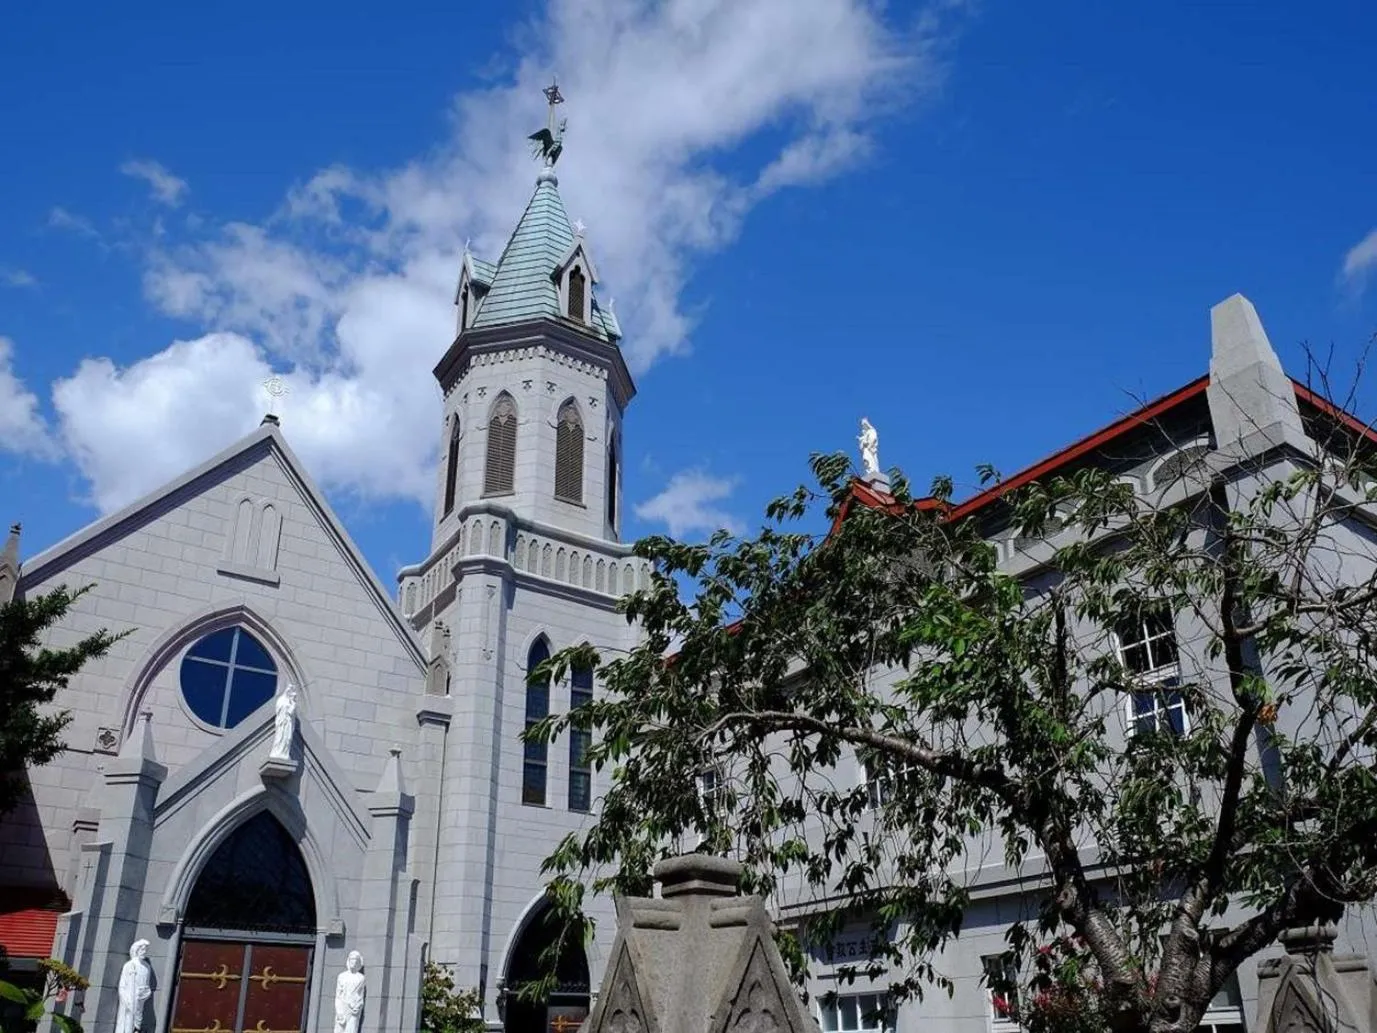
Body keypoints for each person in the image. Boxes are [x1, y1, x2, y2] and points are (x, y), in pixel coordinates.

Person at [115, 940, 153, 1033]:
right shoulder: (129, 965)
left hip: (140, 1000)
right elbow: (122, 986)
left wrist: (145, 994)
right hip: (129, 1000)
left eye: (145, 950)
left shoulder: (147, 967)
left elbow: (147, 986)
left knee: (138, 1021)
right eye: (142, 949)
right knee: (128, 1022)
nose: (144, 952)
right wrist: (126, 999)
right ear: (137, 950)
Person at [334, 951, 366, 1033]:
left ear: (358, 962)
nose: (353, 962)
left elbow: (360, 996)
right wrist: (339, 1011)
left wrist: (359, 1005)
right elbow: (338, 996)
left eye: (355, 960)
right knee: (339, 1030)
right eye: (352, 959)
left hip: (354, 1010)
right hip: (343, 1007)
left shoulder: (361, 978)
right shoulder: (342, 976)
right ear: (348, 960)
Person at [269, 685, 298, 760]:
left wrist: (292, 705)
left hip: (288, 723)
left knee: (287, 738)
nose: (292, 696)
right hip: (282, 723)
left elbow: (291, 713)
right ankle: (278, 752)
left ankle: (284, 753)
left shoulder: (292, 703)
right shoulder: (281, 700)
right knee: (280, 737)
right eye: (290, 692)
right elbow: (279, 710)